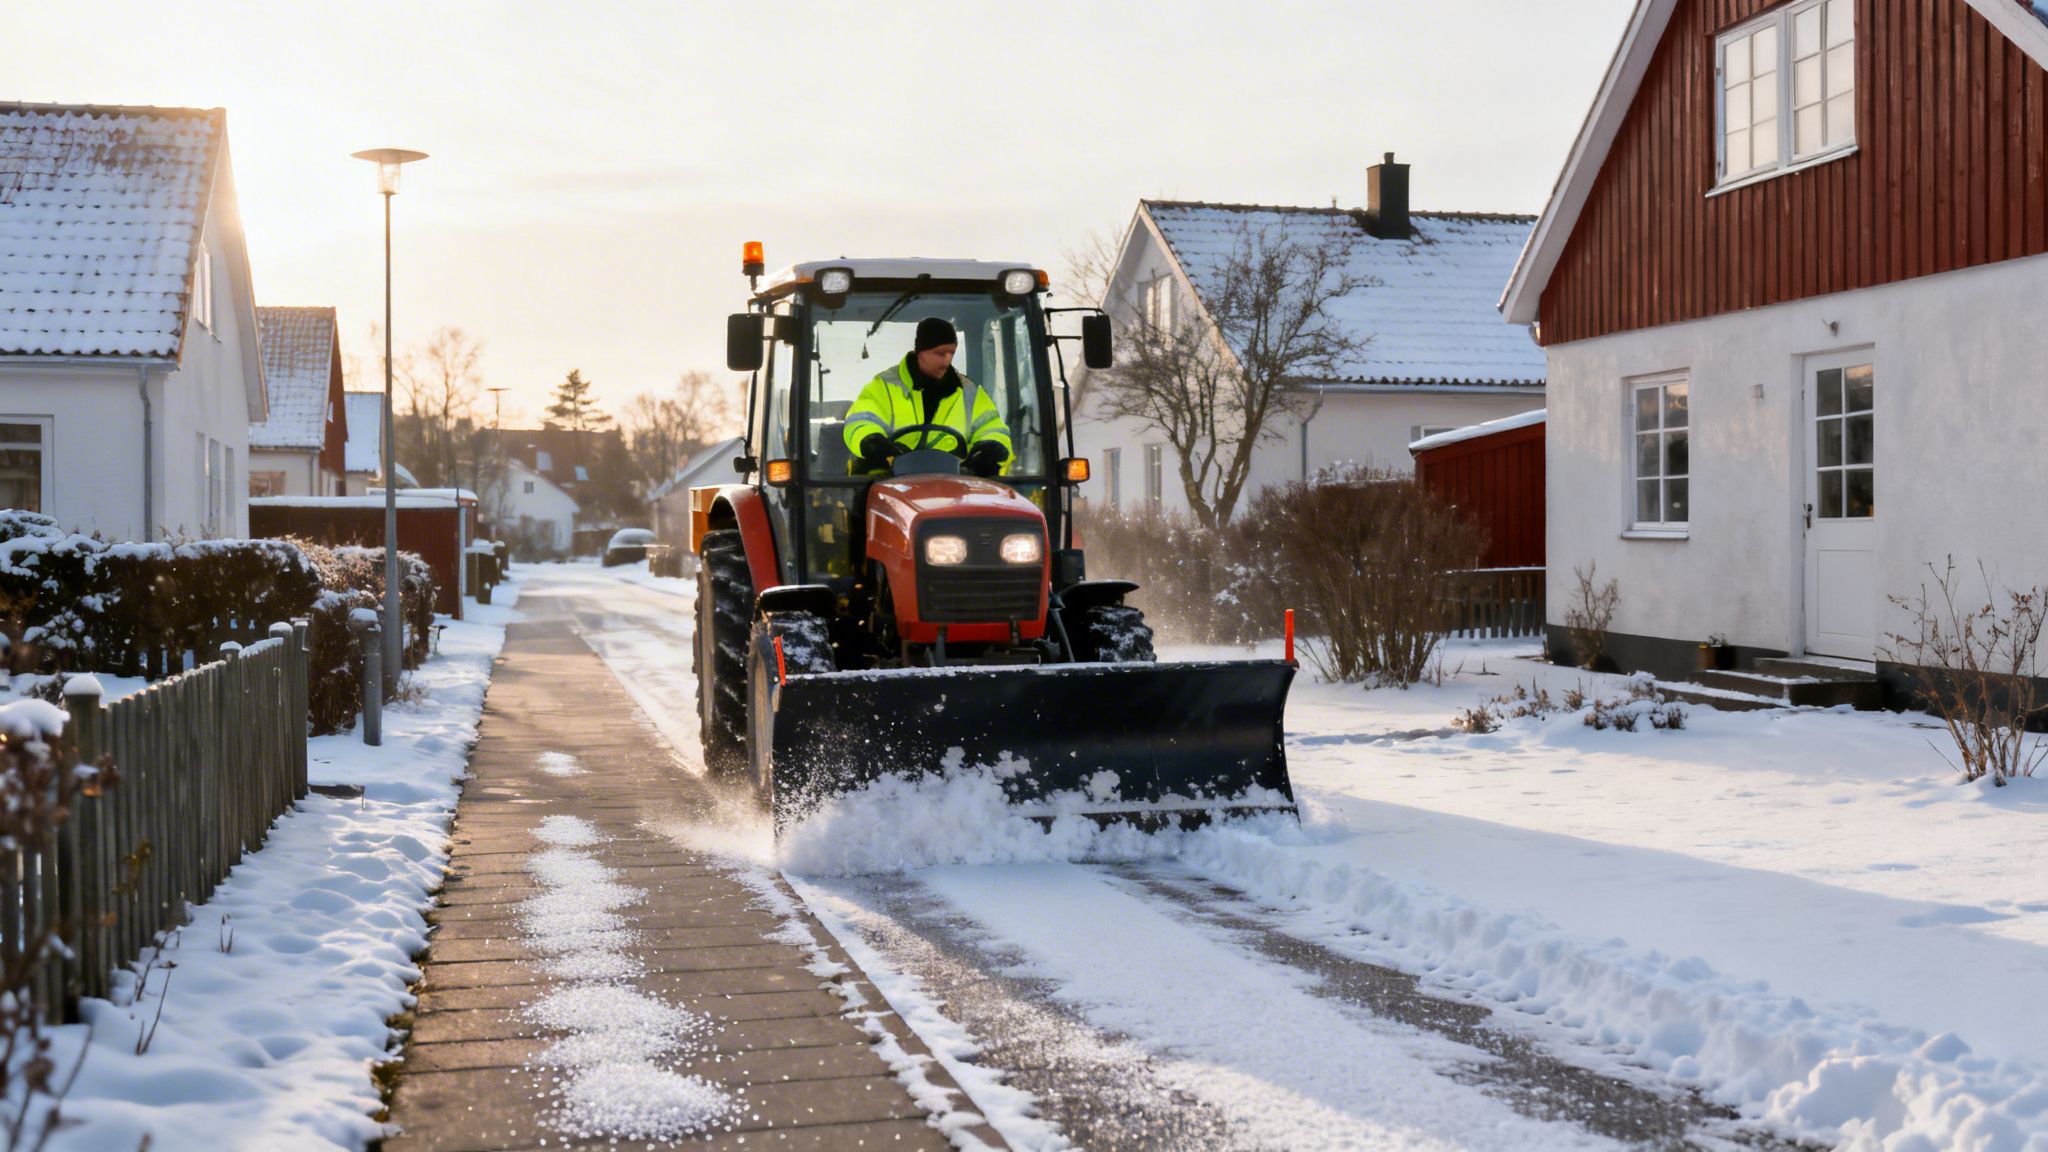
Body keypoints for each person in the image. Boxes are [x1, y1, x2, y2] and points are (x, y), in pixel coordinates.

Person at [843, 317, 1012, 477]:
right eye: (940, 353)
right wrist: (871, 441)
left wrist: (991, 447)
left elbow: (992, 428)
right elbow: (862, 421)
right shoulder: (884, 387)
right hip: (889, 482)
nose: (947, 361)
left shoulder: (969, 393)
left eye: (951, 353)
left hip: (955, 487)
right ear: (921, 352)